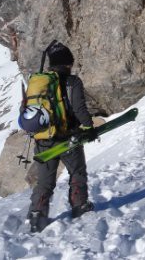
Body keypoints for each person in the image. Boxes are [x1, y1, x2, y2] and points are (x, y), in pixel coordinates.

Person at [29, 41, 95, 233]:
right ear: (68, 63)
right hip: (69, 138)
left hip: (44, 139)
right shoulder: (72, 82)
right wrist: (89, 127)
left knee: (45, 181)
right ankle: (79, 206)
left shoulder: (39, 82)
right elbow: (79, 108)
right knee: (77, 173)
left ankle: (37, 216)